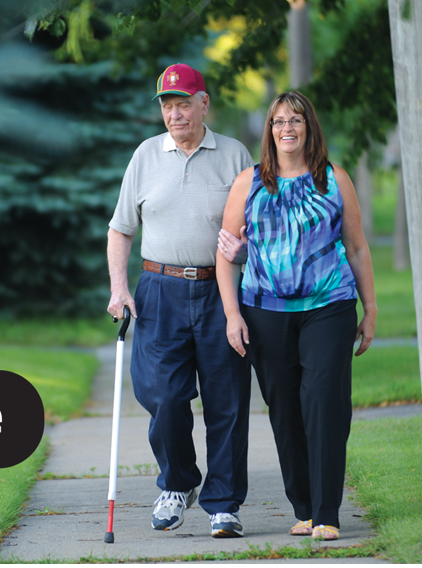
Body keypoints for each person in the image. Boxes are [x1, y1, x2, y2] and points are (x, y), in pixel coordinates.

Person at [215, 91, 377, 541]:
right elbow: (226, 255)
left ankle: (328, 513)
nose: (287, 128)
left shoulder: (334, 179)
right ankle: (304, 508)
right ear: (269, 130)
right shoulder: (248, 184)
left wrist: (371, 309)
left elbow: (358, 247)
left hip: (329, 308)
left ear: (309, 128)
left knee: (324, 404)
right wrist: (232, 315)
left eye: (296, 120)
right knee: (285, 412)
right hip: (265, 313)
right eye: (279, 121)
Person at [106, 63, 253, 538]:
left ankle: (224, 503)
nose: (175, 114)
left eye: (183, 103)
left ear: (204, 103)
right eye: (168, 106)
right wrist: (119, 289)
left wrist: (247, 251)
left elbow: (256, 227)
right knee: (164, 396)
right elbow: (120, 228)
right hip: (159, 290)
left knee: (226, 400)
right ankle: (177, 482)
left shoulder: (235, 156)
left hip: (220, 290)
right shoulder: (146, 156)